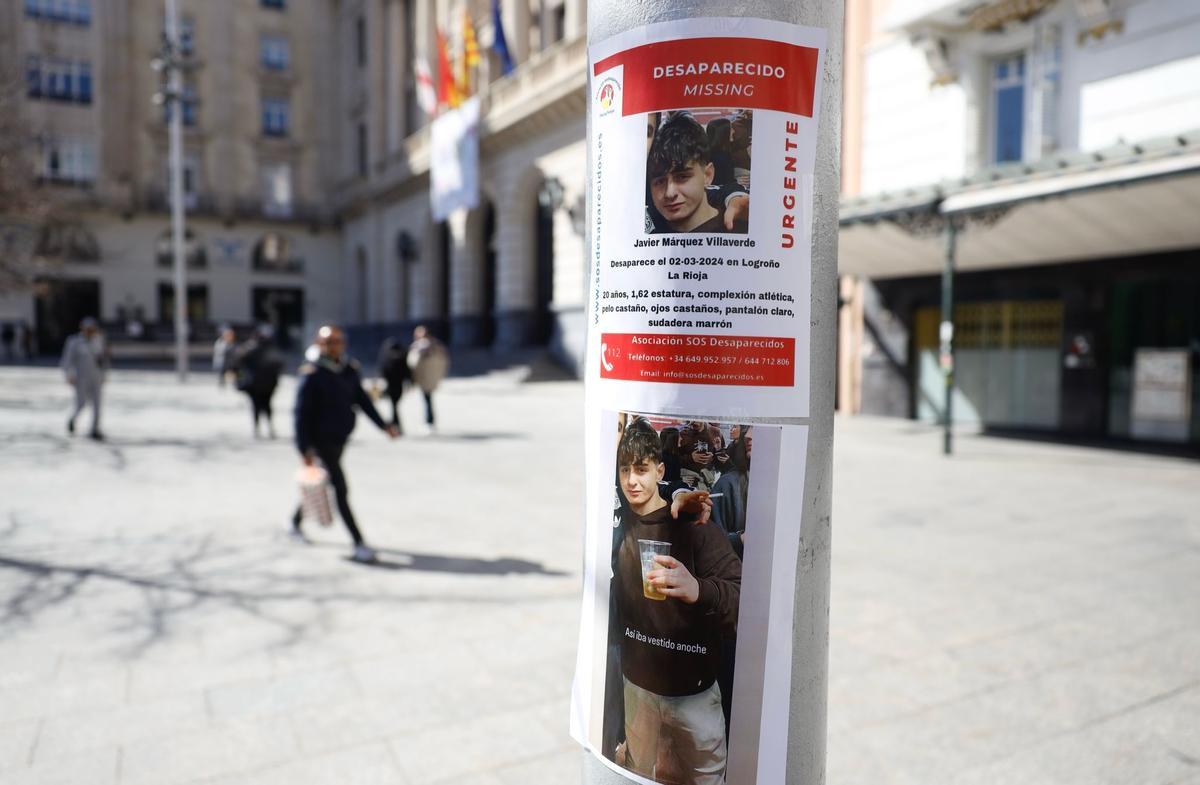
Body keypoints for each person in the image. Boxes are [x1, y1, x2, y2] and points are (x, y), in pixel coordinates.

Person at [612, 419, 740, 784]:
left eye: (641, 470)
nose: (632, 480)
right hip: (636, 686)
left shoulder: (693, 524)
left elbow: (744, 597)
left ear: (660, 470)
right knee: (639, 774)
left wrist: (699, 589)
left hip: (693, 695)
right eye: (625, 470)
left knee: (706, 779)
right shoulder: (621, 517)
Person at [292, 324, 398, 562]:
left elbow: (362, 400)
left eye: (338, 341)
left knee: (324, 481)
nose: (334, 346)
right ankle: (358, 542)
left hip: (340, 438)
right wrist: (303, 448)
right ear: (319, 344)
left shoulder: (349, 369)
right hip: (320, 440)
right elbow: (300, 414)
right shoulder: (312, 372)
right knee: (340, 489)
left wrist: (384, 425)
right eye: (329, 342)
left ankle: (294, 522)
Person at [647, 113, 747, 234]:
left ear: (708, 174)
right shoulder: (647, 226)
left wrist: (735, 196)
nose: (669, 193)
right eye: (660, 181)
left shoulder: (738, 227)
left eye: (682, 177)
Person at [60, 317, 108, 440]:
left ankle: (95, 429)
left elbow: (103, 360)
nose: (91, 332)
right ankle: (73, 419)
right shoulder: (74, 342)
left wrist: (104, 374)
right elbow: (67, 360)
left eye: (93, 329)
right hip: (80, 377)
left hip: (96, 376)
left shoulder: (99, 340)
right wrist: (69, 375)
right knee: (81, 403)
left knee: (97, 403)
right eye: (88, 329)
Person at [234, 325, 284, 438]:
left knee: (258, 406)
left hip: (258, 383)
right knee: (266, 406)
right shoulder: (268, 348)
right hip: (265, 383)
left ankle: (260, 429)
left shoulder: (252, 348)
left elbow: (239, 361)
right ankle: (266, 429)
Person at [710, 427, 751, 559]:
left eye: (756, 428)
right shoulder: (727, 486)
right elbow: (711, 542)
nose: (748, 435)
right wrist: (740, 540)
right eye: (748, 427)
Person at [407, 325, 448, 432]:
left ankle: (429, 420)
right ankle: (430, 420)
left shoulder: (421, 346)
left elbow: (413, 362)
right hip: (431, 378)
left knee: (427, 399)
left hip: (425, 377)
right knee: (428, 399)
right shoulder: (436, 345)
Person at [376, 336, 411, 432]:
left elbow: (383, 371)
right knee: (395, 405)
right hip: (397, 385)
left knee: (394, 405)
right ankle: (395, 423)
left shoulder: (389, 357)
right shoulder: (400, 357)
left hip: (393, 385)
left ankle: (395, 423)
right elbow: (407, 372)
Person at [704, 116, 737, 189]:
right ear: (723, 133)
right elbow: (725, 183)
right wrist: (737, 183)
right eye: (731, 129)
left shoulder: (708, 152)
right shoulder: (722, 158)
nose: (734, 131)